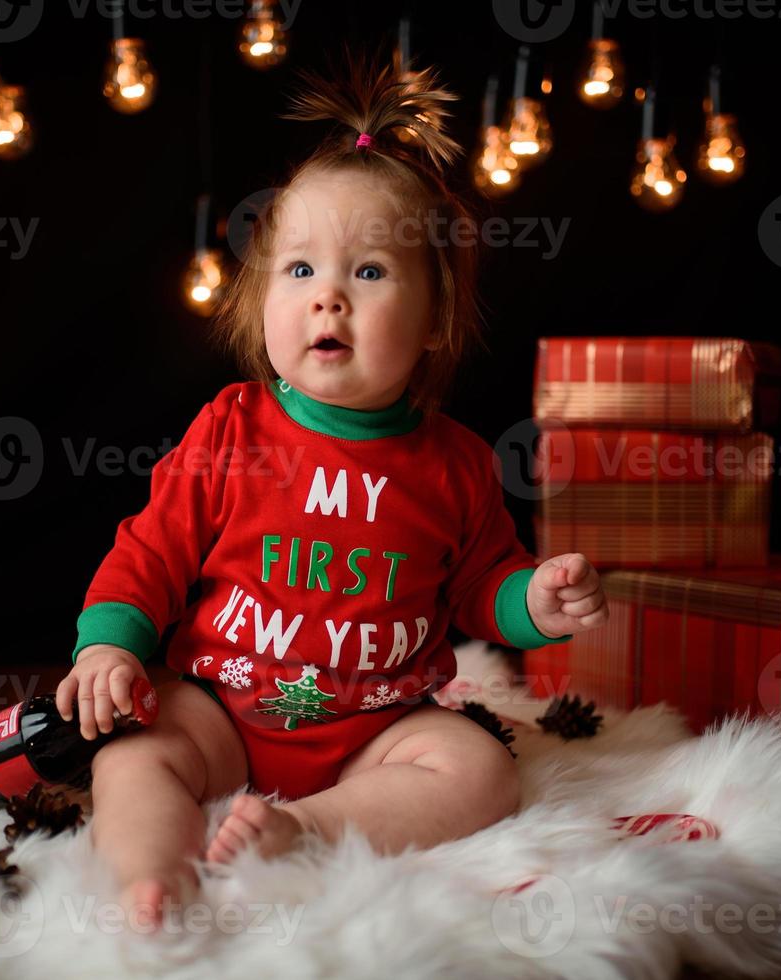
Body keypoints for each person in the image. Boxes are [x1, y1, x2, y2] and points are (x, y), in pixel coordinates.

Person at [56, 53, 609, 932]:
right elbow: (151, 550)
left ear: (434, 322)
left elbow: (480, 587)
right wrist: (107, 648)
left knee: (480, 772)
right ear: (260, 298)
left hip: (377, 729)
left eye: (371, 274)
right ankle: (149, 880)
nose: (329, 302)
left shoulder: (455, 463)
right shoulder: (232, 430)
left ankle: (305, 829)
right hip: (224, 710)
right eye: (301, 271)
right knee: (133, 754)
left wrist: (533, 599)